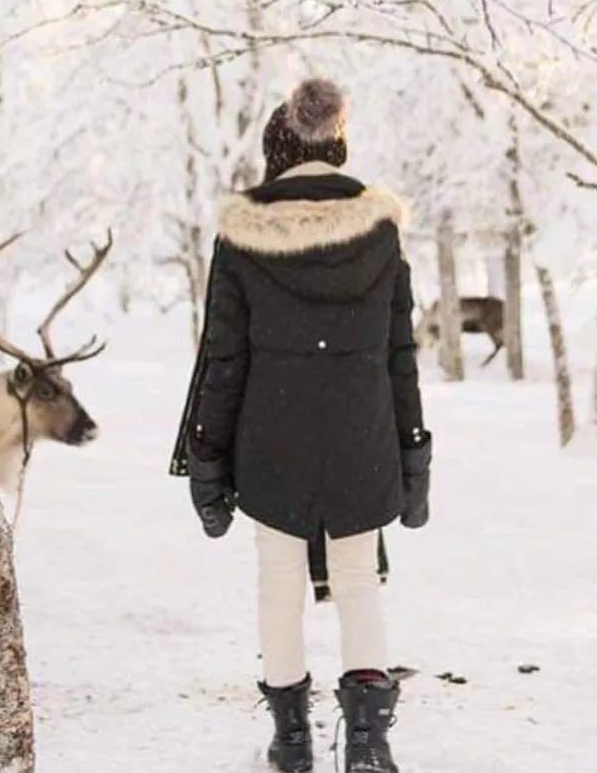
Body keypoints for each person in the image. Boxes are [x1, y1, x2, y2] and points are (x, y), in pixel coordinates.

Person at [172, 78, 431, 773]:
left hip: (270, 438)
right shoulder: (379, 229)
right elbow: (400, 355)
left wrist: (207, 455)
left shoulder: (243, 233)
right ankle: (369, 745)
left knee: (277, 584)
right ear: (336, 145)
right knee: (356, 579)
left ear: (274, 152)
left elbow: (222, 357)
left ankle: (290, 742)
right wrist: (413, 455)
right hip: (362, 433)